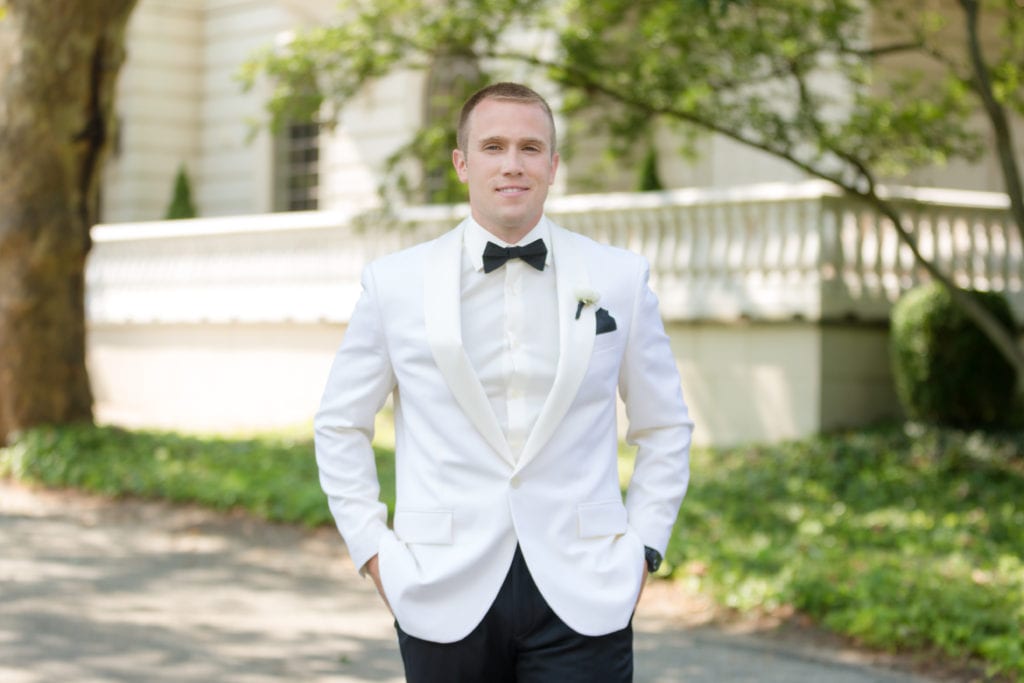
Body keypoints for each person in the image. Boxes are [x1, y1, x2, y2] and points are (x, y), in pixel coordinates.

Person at [314, 82, 693, 683]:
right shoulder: (394, 284)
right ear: (462, 164)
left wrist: (643, 548)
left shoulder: (619, 278)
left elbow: (665, 425)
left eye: (530, 147)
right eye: (492, 146)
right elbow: (339, 424)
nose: (512, 163)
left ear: (553, 164)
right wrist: (374, 552)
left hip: (586, 588)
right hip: (440, 587)